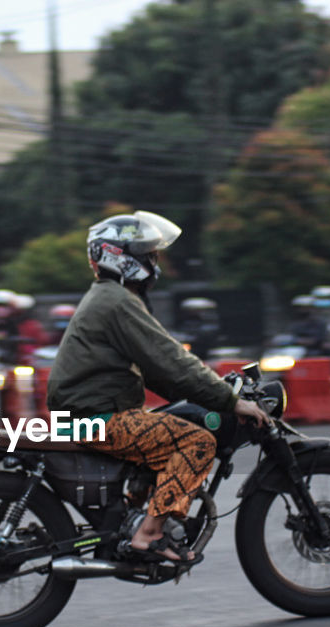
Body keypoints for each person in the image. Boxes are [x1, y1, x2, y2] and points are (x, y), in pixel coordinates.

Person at [47, 210, 270, 563]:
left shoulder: (109, 298)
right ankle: (149, 533)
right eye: (148, 254)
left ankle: (132, 516)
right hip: (98, 419)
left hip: (92, 414)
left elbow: (158, 371)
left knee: (169, 425)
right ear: (121, 257)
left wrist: (207, 394)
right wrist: (229, 400)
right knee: (196, 441)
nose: (154, 262)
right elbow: (171, 359)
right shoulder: (117, 302)